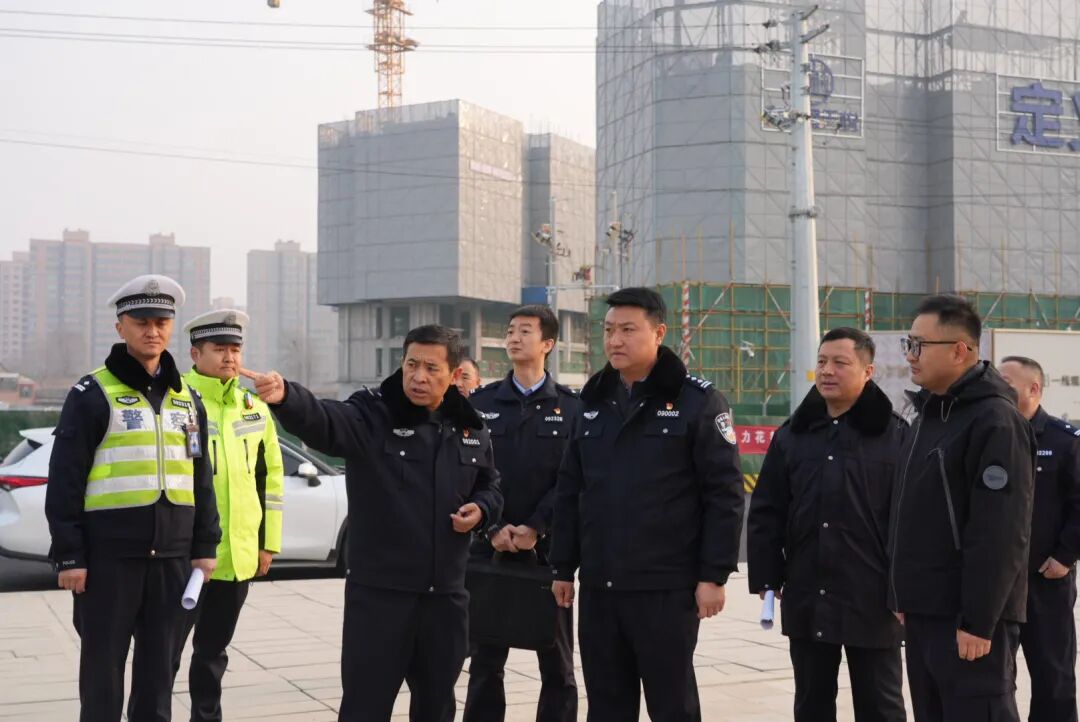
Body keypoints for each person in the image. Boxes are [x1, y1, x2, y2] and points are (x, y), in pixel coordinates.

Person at [244, 324, 503, 722]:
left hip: (445, 599)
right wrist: (287, 397)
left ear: (453, 375)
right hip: (381, 600)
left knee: (437, 707)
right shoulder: (372, 414)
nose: (418, 376)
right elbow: (326, 421)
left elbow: (490, 484)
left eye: (431, 368)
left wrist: (482, 509)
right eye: (411, 364)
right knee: (365, 706)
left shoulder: (471, 426)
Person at [550, 287, 745, 721]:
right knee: (606, 705)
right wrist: (562, 566)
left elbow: (724, 494)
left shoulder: (698, 401)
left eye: (627, 330)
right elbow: (570, 488)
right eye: (608, 330)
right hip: (600, 587)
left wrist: (713, 575)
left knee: (672, 704)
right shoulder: (592, 402)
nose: (615, 340)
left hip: (666, 588)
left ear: (658, 333)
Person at [44, 274, 220, 722]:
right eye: (141, 322)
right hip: (109, 563)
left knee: (159, 679)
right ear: (120, 327)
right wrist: (69, 556)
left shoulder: (188, 399)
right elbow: (65, 479)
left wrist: (205, 546)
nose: (152, 331)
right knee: (102, 677)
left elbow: (200, 477)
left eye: (161, 322)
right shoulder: (91, 394)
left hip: (173, 562)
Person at [889, 294, 1036, 722]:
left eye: (919, 345)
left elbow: (1001, 530)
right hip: (925, 612)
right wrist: (901, 592)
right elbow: (908, 514)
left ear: (959, 351)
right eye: (908, 344)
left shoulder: (994, 420)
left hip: (967, 622)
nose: (910, 355)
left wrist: (978, 618)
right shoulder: (928, 417)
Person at [748, 327, 906, 722]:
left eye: (840, 362)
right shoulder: (793, 434)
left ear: (868, 371)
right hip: (808, 592)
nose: (827, 371)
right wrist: (768, 576)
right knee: (811, 703)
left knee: (881, 705)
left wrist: (905, 590)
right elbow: (767, 509)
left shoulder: (896, 436)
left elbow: (911, 522)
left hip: (873, 599)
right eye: (821, 361)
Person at [464, 305, 579, 722]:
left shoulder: (572, 408)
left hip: (548, 554)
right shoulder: (481, 403)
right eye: (511, 331)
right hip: (489, 548)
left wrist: (535, 526)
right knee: (485, 661)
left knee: (558, 664)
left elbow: (573, 479)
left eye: (525, 331)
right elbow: (469, 471)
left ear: (548, 343)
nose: (514, 337)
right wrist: (492, 526)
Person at [176, 309, 285, 722]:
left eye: (235, 349)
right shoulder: (175, 400)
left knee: (213, 652)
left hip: (237, 555)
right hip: (184, 555)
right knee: (163, 651)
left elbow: (270, 479)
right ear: (195, 354)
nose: (229, 358)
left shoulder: (253, 407)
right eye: (219, 348)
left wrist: (267, 543)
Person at [999, 355, 1080, 722]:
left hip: (1046, 579)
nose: (998, 389)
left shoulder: (1064, 441)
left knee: (1053, 676)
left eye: (1007, 383)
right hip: (998, 583)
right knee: (995, 679)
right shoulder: (992, 436)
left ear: (1033, 388)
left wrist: (1065, 556)